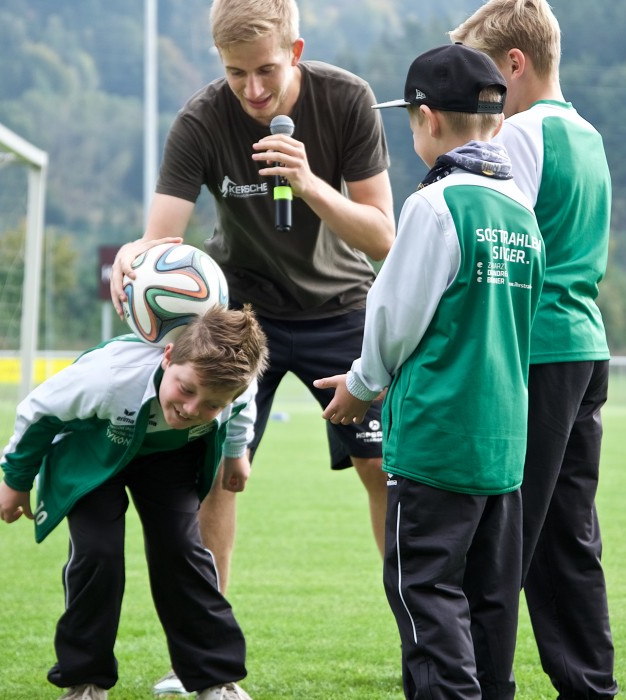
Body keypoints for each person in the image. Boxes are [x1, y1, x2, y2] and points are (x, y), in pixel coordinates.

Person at [110, 2, 395, 693]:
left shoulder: (347, 100)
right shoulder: (203, 118)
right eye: (236, 74)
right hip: (241, 315)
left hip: (343, 309)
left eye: (267, 70)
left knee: (383, 471)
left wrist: (310, 184)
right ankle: (200, 663)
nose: (254, 90)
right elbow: (162, 238)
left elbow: (385, 237)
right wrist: (134, 253)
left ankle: (426, 641)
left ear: (295, 49)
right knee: (214, 474)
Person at [314, 43, 545, 700]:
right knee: (489, 598)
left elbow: (394, 313)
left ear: (426, 118)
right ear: (497, 121)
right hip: (502, 443)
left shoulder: (435, 206)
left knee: (424, 589)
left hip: (438, 439)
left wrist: (360, 387)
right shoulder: (521, 212)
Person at [449, 2, 618, 698]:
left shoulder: (519, 135)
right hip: (587, 348)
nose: (478, 98)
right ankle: (589, 685)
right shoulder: (589, 134)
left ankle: (487, 685)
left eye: (485, 77)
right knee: (568, 539)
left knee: (503, 537)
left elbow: (496, 243)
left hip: (535, 352)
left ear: (513, 65)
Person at [0, 306, 269, 700]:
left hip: (169, 459)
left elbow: (243, 407)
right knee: (98, 554)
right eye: (186, 389)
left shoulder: (235, 385)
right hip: (94, 454)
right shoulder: (108, 377)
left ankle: (215, 679)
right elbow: (38, 414)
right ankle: (85, 681)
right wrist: (15, 481)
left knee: (182, 550)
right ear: (169, 356)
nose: (192, 409)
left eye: (211, 404)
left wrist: (236, 452)